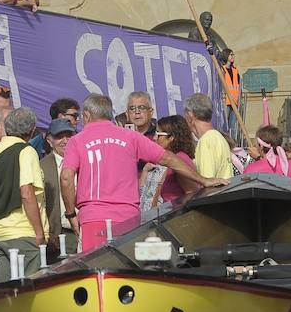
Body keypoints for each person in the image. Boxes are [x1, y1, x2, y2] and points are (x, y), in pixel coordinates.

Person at [62, 94, 214, 251]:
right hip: (128, 219)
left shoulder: (77, 141)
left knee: (94, 271)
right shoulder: (131, 136)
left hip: (94, 218)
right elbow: (168, 158)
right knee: (126, 270)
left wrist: (71, 214)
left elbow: (66, 177)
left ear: (86, 115)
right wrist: (203, 180)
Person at [0, 108, 47, 286]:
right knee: (29, 295)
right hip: (24, 234)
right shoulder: (26, 151)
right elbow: (26, 192)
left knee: (6, 296)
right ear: (32, 131)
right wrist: (39, 233)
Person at [148, 115, 201, 209]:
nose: (154, 138)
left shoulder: (180, 159)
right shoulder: (172, 159)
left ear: (171, 137)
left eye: (159, 134)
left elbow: (192, 192)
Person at [40, 118, 76, 250]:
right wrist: (47, 234)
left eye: (69, 135)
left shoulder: (86, 161)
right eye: (59, 136)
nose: (65, 140)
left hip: (85, 229)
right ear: (49, 140)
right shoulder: (42, 167)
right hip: (57, 236)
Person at [184, 92, 236, 181]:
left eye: (185, 114)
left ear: (190, 115)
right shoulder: (216, 136)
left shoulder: (207, 140)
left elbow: (208, 181)